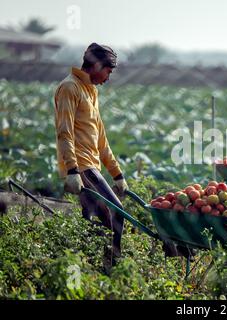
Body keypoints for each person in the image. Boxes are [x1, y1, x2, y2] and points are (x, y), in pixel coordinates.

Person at [53, 43, 128, 273]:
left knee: (93, 218)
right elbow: (64, 131)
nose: (108, 78)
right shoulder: (69, 88)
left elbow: (101, 139)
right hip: (82, 167)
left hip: (91, 165)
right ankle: (110, 269)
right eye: (108, 71)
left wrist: (117, 174)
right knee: (115, 212)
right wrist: (73, 170)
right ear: (96, 65)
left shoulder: (90, 91)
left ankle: (89, 267)